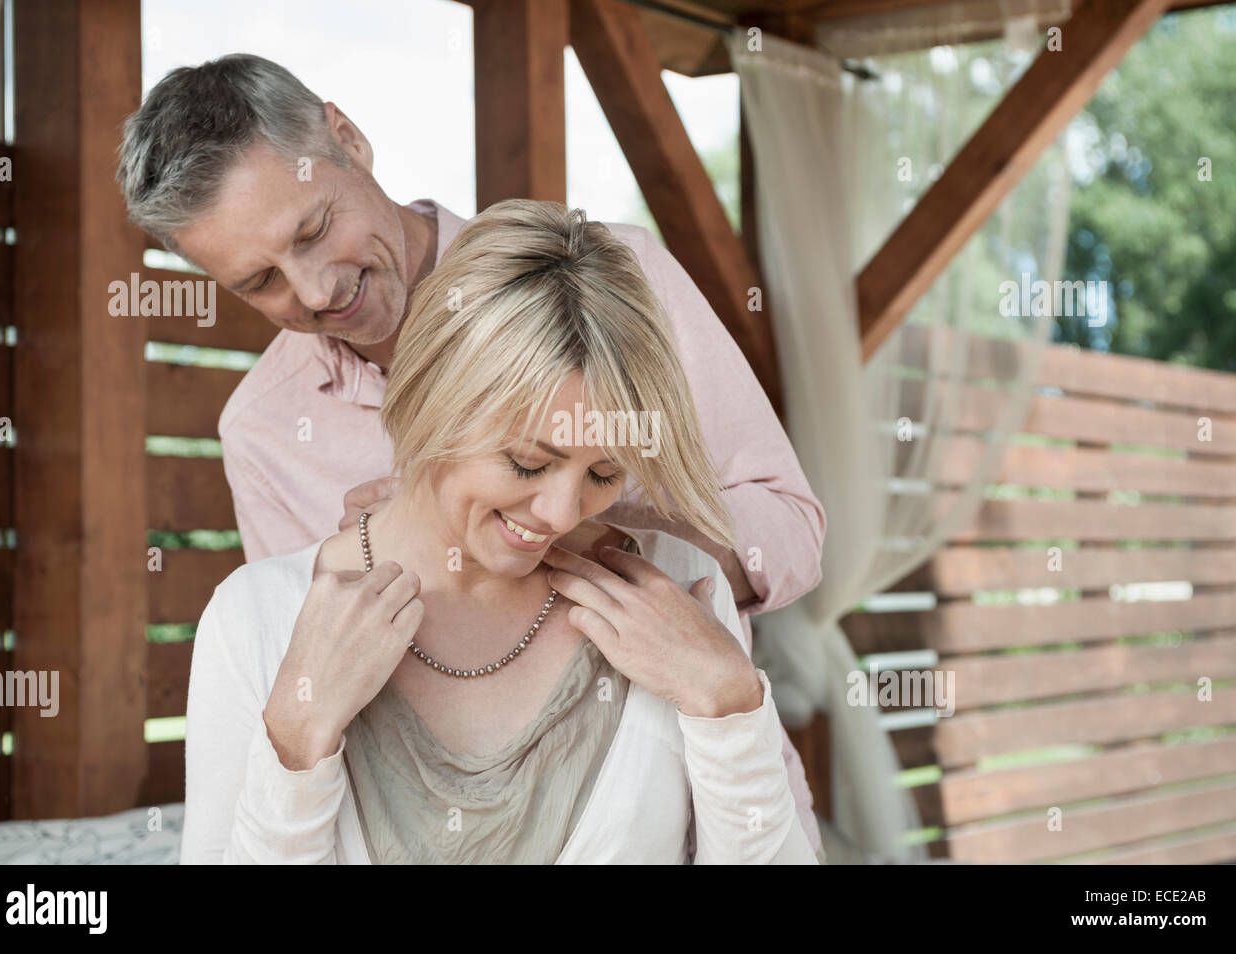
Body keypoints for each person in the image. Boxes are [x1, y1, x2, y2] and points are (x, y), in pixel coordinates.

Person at [119, 53, 826, 853]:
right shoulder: (264, 434)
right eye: (260, 283)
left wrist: (590, 517)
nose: (314, 291)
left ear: (346, 137)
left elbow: (791, 533)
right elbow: (315, 685)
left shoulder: (616, 288)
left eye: (313, 229)